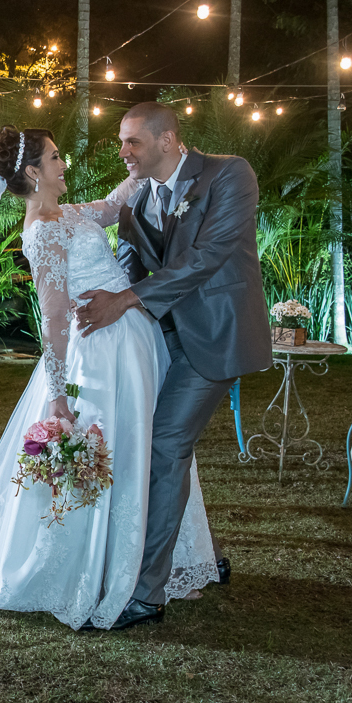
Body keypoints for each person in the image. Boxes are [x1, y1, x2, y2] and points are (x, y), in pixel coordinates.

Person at [0, 125, 220, 631]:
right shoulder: (43, 231)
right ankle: (107, 565)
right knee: (119, 449)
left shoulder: (68, 214)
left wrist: (142, 166)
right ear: (33, 172)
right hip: (100, 355)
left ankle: (157, 560)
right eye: (55, 157)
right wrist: (58, 396)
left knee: (152, 446)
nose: (64, 163)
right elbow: (53, 319)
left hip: (134, 341)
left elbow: (113, 206)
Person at [75, 102, 271, 629]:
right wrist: (92, 301)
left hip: (216, 338)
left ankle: (145, 594)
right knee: (163, 448)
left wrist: (124, 300)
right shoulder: (136, 200)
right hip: (158, 340)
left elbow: (206, 257)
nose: (123, 152)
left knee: (163, 445)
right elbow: (128, 264)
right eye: (121, 141)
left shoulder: (229, 174)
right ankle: (201, 559)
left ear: (167, 140)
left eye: (132, 141)